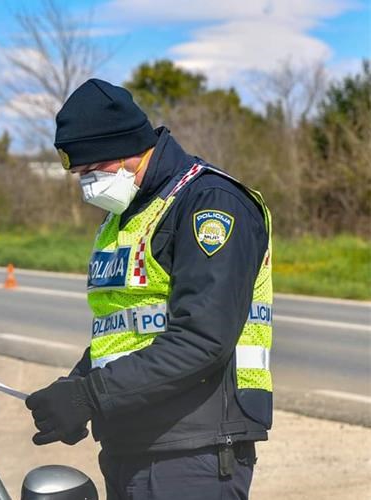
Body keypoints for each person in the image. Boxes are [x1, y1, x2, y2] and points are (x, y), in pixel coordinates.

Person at [25, 79, 272, 500]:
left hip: (192, 452)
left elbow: (203, 339)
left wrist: (91, 395)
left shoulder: (208, 203)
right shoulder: (128, 214)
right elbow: (121, 328)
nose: (85, 185)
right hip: (133, 443)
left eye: (89, 171)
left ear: (125, 149)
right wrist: (73, 390)